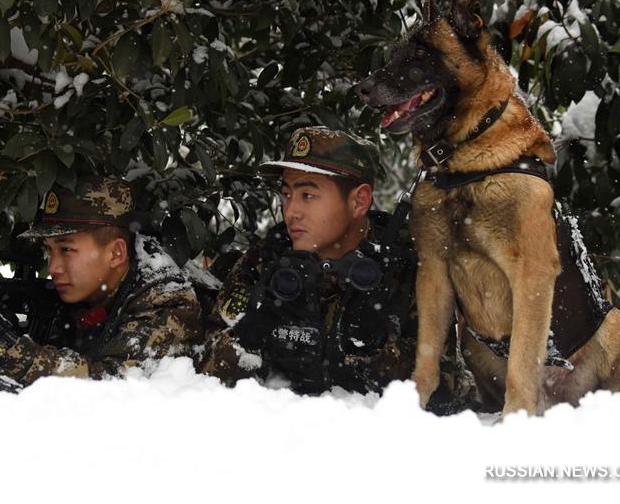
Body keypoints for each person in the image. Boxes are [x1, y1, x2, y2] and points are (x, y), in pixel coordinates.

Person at [198, 127, 474, 411]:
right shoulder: (266, 260)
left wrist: (369, 350)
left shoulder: (407, 269)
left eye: (307, 195)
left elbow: (443, 392)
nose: (291, 210)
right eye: (287, 194)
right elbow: (201, 376)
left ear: (359, 201)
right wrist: (253, 329)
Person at [0, 176, 203, 386]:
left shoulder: (166, 301)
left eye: (66, 249)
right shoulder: (94, 285)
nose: (53, 267)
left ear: (116, 254)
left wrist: (4, 344)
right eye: (49, 249)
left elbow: (111, 390)